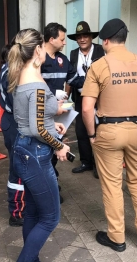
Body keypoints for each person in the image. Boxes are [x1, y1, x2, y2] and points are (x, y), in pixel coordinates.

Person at [82, 18, 137, 252]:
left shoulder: (99, 65)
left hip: (108, 132)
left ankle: (117, 237)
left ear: (106, 41)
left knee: (113, 185)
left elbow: (87, 108)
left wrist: (91, 135)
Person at [7, 28, 70, 262]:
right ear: (37, 50)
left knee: (32, 212)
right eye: (43, 47)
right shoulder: (37, 86)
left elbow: (34, 118)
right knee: (51, 218)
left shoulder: (20, 78)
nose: (46, 50)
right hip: (35, 154)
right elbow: (38, 129)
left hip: (23, 150)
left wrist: (54, 126)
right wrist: (59, 145)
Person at [41, 22, 79, 202]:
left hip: (59, 115)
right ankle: (47, 187)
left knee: (56, 149)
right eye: (62, 39)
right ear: (51, 39)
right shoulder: (38, 59)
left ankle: (52, 182)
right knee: (44, 151)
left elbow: (75, 80)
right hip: (41, 115)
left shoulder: (63, 60)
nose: (65, 43)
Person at [67, 21, 104, 178]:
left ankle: (98, 165)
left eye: (85, 36)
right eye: (79, 37)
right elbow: (70, 77)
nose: (82, 39)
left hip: (99, 99)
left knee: (99, 132)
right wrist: (65, 97)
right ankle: (86, 162)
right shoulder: (73, 54)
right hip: (80, 98)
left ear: (90, 37)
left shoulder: (101, 51)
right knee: (81, 131)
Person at [0, 44, 25, 227]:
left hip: (10, 121)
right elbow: (21, 106)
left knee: (19, 168)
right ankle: (17, 212)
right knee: (19, 169)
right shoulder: (13, 72)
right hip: (15, 123)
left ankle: (19, 208)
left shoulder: (6, 68)